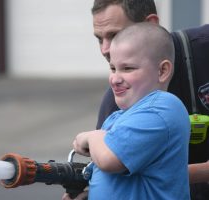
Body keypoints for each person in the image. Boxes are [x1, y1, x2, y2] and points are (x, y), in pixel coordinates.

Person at [63, 0, 209, 199]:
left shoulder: (164, 107)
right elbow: (108, 173)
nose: (106, 49)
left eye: (115, 35)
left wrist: (92, 136)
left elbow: (108, 158)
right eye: (99, 39)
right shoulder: (116, 104)